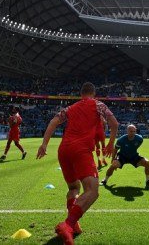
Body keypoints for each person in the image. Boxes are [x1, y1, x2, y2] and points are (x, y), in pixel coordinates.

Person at [37, 82, 119, 245]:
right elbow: (114, 123)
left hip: (64, 151)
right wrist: (110, 144)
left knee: (74, 188)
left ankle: (73, 225)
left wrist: (44, 144)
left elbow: (53, 122)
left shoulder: (70, 108)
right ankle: (67, 224)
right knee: (93, 191)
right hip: (80, 150)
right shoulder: (98, 104)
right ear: (93, 93)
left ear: (81, 94)